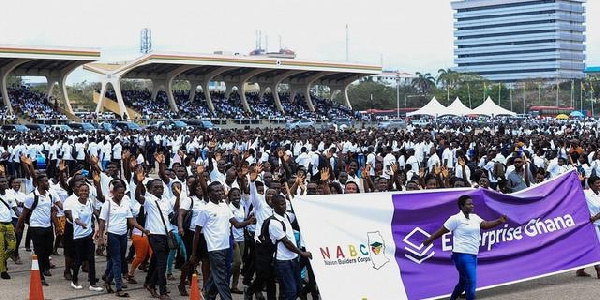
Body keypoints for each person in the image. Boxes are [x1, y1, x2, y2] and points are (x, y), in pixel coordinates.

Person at [423, 195, 507, 300]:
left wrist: (499, 221)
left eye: (472, 203)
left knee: (463, 283)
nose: (472, 205)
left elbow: (485, 225)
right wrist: (430, 239)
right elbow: (442, 230)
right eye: (469, 204)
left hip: (473, 254)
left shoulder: (475, 217)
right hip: (461, 255)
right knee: (471, 283)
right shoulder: (455, 219)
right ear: (461, 206)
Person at [69, 184, 104, 292]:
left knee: (91, 259)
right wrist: (81, 224)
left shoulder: (89, 202)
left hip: (89, 235)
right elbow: (75, 219)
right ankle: (74, 281)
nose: (84, 192)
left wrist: (101, 221)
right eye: (82, 190)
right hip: (79, 236)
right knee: (79, 259)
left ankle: (92, 284)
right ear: (78, 192)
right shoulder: (75, 204)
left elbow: (95, 213)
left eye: (86, 191)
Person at [576, 175, 600, 278]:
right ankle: (599, 271)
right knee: (597, 247)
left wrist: (596, 216)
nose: (599, 185)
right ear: (591, 184)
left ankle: (581, 269)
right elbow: (574, 190)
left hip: (597, 221)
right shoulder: (586, 193)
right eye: (597, 183)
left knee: (589, 248)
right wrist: (579, 180)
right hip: (592, 225)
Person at [0, 175, 17, 279]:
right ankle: (3, 271)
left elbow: (15, 208)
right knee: (1, 249)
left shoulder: (10, 194)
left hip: (9, 224)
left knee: (12, 248)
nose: (4, 183)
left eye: (5, 181)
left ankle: (1, 262)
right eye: (1, 182)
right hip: (0, 225)